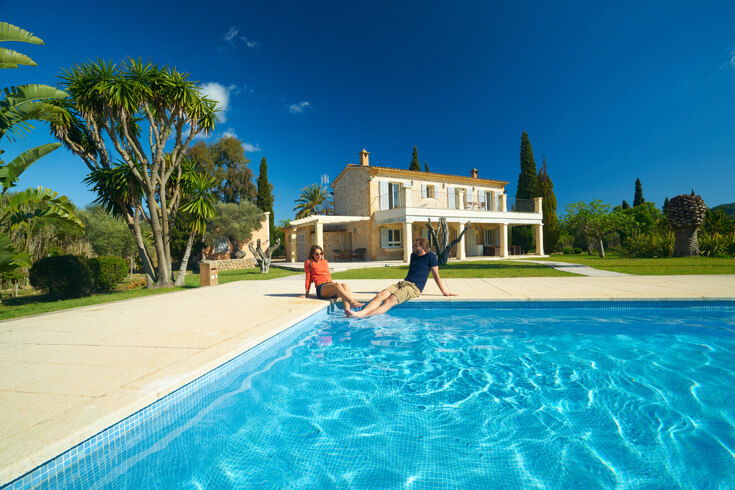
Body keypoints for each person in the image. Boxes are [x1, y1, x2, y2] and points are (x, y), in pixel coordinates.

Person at [346, 237, 457, 318]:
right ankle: (361, 313)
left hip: (414, 288)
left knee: (390, 300)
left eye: (415, 245)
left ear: (423, 247)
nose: (413, 247)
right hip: (403, 283)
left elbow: (435, 274)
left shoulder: (431, 257)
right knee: (380, 295)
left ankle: (364, 315)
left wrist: (444, 291)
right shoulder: (413, 255)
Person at [300, 245, 364, 311]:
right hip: (321, 289)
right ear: (312, 255)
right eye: (317, 254)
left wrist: (335, 287)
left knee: (345, 285)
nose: (319, 256)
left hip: (330, 286)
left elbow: (328, 275)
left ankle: (347, 310)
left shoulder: (325, 262)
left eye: (321, 253)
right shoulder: (308, 262)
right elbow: (308, 279)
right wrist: (306, 294)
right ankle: (352, 302)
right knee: (337, 285)